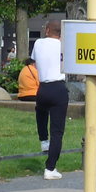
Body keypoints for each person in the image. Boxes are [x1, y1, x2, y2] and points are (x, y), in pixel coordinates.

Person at [32, 21, 68, 178]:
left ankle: (43, 140)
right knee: (57, 131)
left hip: (43, 87)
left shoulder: (38, 43)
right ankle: (50, 168)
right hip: (59, 88)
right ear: (61, 33)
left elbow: (34, 61)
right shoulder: (64, 45)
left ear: (47, 30)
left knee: (40, 110)